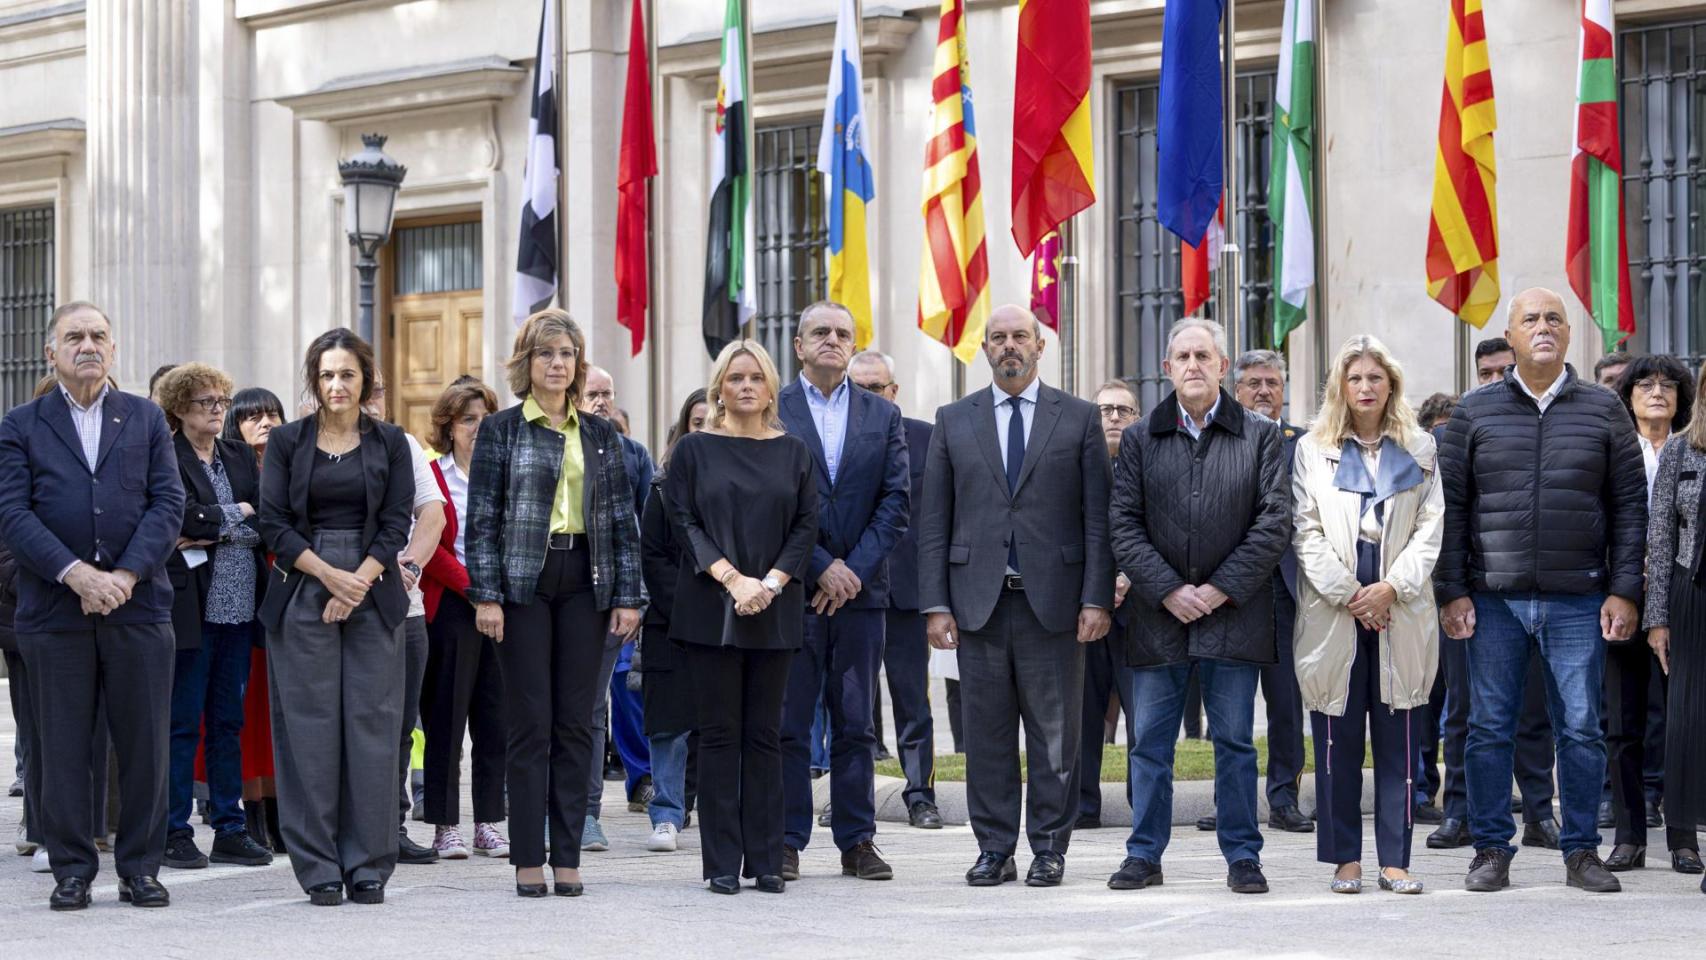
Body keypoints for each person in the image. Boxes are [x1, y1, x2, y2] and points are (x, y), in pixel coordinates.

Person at [1437, 288, 1644, 894]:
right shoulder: (1474, 412)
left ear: (1569, 335)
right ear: (1512, 334)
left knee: (1580, 728)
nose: (1544, 327)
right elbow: (1450, 508)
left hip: (1579, 597)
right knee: (1488, 728)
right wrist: (1452, 588)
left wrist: (1625, 590)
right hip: (1493, 597)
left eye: (1555, 318)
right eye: (1531, 319)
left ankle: (1581, 850)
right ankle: (1491, 849)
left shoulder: (1605, 411)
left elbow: (1630, 508)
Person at [920, 304, 1113, 889]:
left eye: (1020, 337)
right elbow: (934, 521)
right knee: (987, 736)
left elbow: (1098, 521)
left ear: (1040, 345)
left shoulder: (1078, 419)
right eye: (998, 338)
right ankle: (994, 848)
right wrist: (935, 603)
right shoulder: (954, 419)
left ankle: (1049, 849)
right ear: (984, 349)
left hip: (1052, 604)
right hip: (977, 605)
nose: (1010, 346)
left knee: (1056, 737)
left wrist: (1096, 598)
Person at [0, 301, 185, 910]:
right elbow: (13, 513)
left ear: (115, 348)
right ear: (51, 352)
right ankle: (72, 869)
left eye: (99, 336)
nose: (88, 346)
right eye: (74, 336)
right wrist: (76, 574)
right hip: (55, 614)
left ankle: (140, 868)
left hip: (138, 609)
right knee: (62, 747)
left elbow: (167, 503)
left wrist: (126, 574)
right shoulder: (20, 424)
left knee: (143, 746)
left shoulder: (147, 419)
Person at [463, 309, 645, 898]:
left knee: (576, 724)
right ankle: (527, 859)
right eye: (546, 354)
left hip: (586, 580)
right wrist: (486, 594)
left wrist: (628, 596)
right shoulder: (502, 430)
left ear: (578, 363)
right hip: (523, 584)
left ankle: (567, 855)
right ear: (527, 363)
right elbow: (483, 518)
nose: (557, 364)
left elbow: (621, 520)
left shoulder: (599, 433)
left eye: (566, 354)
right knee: (530, 723)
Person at [1108, 317, 1291, 896]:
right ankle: (1143, 854)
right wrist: (1167, 590)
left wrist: (1216, 590)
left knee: (1235, 741)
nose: (1192, 365)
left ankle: (1243, 856)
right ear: (1167, 368)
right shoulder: (1141, 438)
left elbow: (1274, 523)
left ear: (1221, 365)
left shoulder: (1260, 435)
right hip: (1158, 617)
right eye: (1181, 356)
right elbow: (1123, 524)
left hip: (1234, 616)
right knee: (1150, 744)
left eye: (1202, 355)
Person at [258, 328, 417, 907]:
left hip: (373, 590)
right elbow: (272, 522)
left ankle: (368, 862)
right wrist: (330, 577)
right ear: (314, 381)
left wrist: (359, 583)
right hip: (304, 585)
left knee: (373, 726)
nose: (337, 384)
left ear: (365, 379)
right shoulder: (287, 443)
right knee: (309, 728)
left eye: (347, 373)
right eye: (326, 374)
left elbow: (398, 521)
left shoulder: (393, 442)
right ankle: (319, 864)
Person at [664, 340, 818, 895]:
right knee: (721, 735)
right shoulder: (693, 451)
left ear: (771, 387)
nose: (746, 386)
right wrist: (733, 579)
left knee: (766, 736)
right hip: (712, 607)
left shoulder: (795, 452)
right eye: (735, 378)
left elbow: (806, 526)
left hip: (774, 609)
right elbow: (683, 523)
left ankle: (768, 859)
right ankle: (723, 862)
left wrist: (770, 583)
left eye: (756, 377)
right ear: (719, 387)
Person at [1292, 336, 1443, 895]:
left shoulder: (1421, 447)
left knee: (1399, 739)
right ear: (1340, 386)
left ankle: (1396, 860)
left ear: (1391, 385)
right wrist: (1351, 593)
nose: (1365, 387)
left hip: (1398, 605)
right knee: (1336, 739)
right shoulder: (1314, 449)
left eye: (1375, 378)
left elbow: (1431, 529)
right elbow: (1304, 529)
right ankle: (1345, 860)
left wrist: (1390, 589)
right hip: (1336, 608)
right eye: (1354, 378)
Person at [775, 303, 909, 883]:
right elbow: (768, 504)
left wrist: (851, 570)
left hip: (861, 595)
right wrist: (821, 566)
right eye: (821, 333)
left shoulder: (883, 415)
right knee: (789, 723)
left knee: (856, 724)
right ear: (799, 345)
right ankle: (784, 840)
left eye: (843, 334)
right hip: (790, 593)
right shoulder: (773, 409)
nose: (833, 340)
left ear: (854, 346)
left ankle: (858, 840)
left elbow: (895, 500)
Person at [1429, 334, 1559, 853]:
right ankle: (1458, 812)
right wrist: (1450, 591)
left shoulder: (1542, 429)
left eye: (1504, 369)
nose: (1496, 379)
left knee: (1533, 713)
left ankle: (1537, 813)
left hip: (1535, 592)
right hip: (1475, 593)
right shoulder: (1465, 428)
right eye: (1486, 372)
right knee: (1466, 711)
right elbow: (1447, 518)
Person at [154, 364, 273, 871]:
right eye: (207, 403)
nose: (218, 410)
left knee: (228, 720)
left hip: (241, 607)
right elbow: (176, 519)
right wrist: (236, 514)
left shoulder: (239, 454)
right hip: (191, 607)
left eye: (222, 401)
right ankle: (174, 830)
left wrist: (221, 521)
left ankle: (230, 827)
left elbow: (267, 515)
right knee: (183, 722)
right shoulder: (166, 456)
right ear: (179, 409)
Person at [1606, 356, 1698, 872]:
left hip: (1682, 602)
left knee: (1682, 719)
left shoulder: (1695, 450)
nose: (1657, 392)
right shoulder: (1616, 449)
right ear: (1629, 395)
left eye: (1668, 384)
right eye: (1645, 384)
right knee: (1623, 722)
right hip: (1624, 597)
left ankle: (1683, 835)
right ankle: (1629, 835)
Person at [848, 349, 942, 830]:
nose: (869, 396)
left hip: (907, 592)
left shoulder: (927, 439)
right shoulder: (833, 439)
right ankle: (850, 794)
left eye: (877, 388)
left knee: (912, 701)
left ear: (894, 392)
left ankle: (920, 794)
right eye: (858, 388)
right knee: (852, 703)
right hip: (851, 591)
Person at [420, 378, 509, 860]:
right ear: (449, 427)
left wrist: (497, 595)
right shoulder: (432, 476)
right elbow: (429, 548)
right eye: (468, 419)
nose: (477, 428)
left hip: (503, 608)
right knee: (446, 720)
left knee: (495, 719)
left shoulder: (506, 475)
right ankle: (444, 825)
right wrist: (477, 592)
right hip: (453, 608)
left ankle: (490, 822)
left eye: (484, 419)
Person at [361, 373, 448, 866]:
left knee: (399, 724)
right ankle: (348, 824)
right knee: (349, 722)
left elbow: (432, 512)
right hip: (341, 601)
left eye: (376, 388)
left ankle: (391, 826)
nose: (371, 397)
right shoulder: (304, 443)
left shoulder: (403, 444)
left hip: (403, 607)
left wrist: (411, 564)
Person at [1230, 349, 1312, 835]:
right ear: (1236, 390)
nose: (1264, 391)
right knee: (1231, 707)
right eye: (1254, 383)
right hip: (1231, 595)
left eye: (1273, 383)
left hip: (1283, 592)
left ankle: (1284, 799)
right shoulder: (1217, 440)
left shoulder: (1302, 446)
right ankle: (1231, 800)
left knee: (1286, 704)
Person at [578, 363, 655, 846]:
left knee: (603, 707)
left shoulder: (632, 454)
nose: (602, 402)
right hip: (563, 595)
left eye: (607, 393)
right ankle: (564, 805)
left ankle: (591, 810)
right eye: (593, 394)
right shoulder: (553, 446)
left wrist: (639, 596)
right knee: (576, 708)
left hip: (617, 600)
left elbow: (644, 529)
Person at [1642, 370, 1706, 896]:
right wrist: (1657, 618)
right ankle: (1683, 835)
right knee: (1685, 716)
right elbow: (1660, 539)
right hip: (1691, 593)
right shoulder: (1682, 452)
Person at [222, 387, 287, 852]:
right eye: (252, 416)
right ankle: (252, 813)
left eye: (272, 414)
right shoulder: (229, 467)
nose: (265, 422)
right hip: (244, 594)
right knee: (248, 712)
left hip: (290, 594)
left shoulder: (296, 462)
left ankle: (283, 810)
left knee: (282, 712)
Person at [1075, 379, 1140, 830]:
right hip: (1087, 610)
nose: (1114, 417)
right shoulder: (1073, 467)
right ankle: (1081, 806)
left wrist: (1130, 578)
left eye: (1123, 410)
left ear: (1136, 419)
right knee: (1082, 713)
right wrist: (1099, 584)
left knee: (1145, 716)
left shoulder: (1151, 466)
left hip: (1141, 613)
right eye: (1105, 410)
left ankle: (1146, 804)